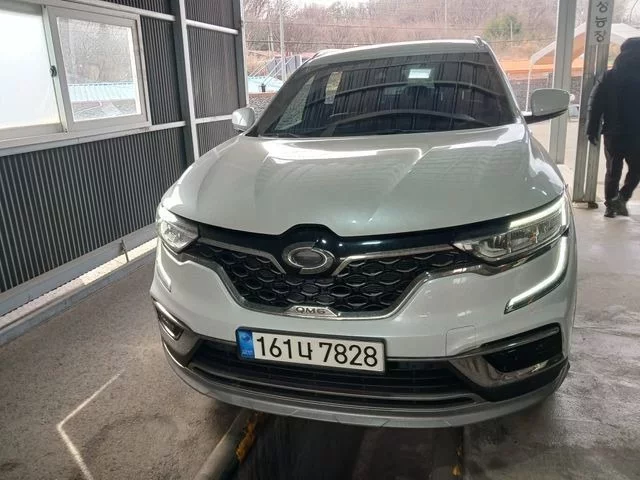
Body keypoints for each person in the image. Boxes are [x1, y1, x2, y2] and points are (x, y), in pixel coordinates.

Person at [587, 37, 640, 218]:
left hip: (613, 132)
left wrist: (592, 128)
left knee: (613, 170)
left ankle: (611, 205)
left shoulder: (610, 76)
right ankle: (622, 198)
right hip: (636, 134)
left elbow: (595, 104)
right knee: (637, 169)